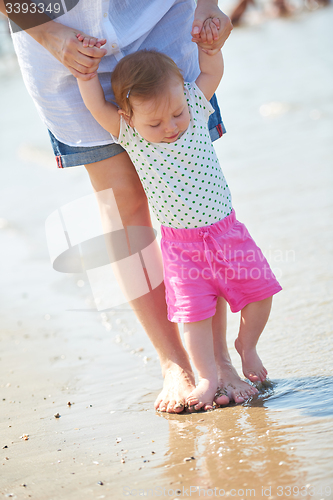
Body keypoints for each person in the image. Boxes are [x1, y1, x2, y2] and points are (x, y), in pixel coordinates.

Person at [1, 0, 261, 412]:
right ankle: (174, 362)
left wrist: (208, 5)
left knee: (188, 194)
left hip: (162, 20)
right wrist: (50, 33)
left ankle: (217, 361)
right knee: (123, 206)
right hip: (64, 39)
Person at [76, 20, 282, 410]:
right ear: (130, 116)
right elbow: (93, 105)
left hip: (227, 233)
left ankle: (247, 346)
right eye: (155, 122)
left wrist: (209, 48)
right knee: (194, 316)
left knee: (262, 291)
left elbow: (212, 73)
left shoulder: (193, 104)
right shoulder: (128, 132)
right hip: (182, 248)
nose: (170, 127)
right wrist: (86, 74)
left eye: (176, 114)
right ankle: (206, 378)